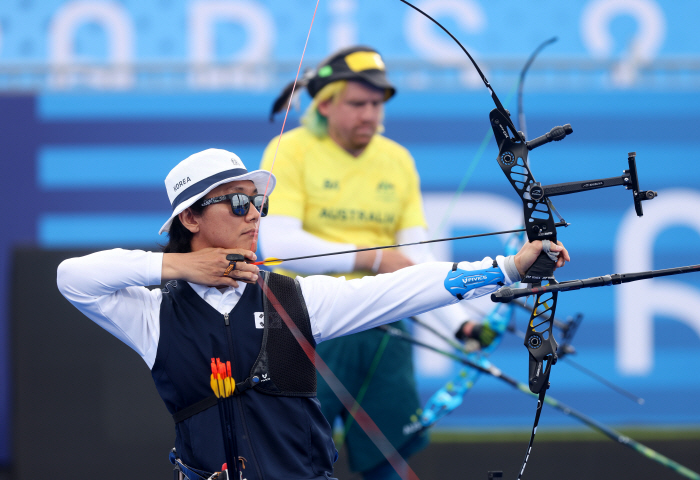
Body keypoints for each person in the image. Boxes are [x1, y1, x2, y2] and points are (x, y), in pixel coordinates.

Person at [57, 147, 568, 480]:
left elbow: (404, 289)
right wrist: (182, 266)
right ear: (189, 218)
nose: (254, 214)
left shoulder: (297, 299)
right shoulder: (154, 315)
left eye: (257, 203)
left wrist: (506, 266)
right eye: (237, 203)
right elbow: (72, 278)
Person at [259, 46, 525, 479]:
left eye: (377, 104)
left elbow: (416, 259)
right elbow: (278, 244)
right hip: (307, 327)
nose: (370, 114)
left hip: (384, 328)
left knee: (387, 462)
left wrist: (460, 327)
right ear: (324, 104)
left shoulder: (396, 160)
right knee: (294, 460)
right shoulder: (290, 150)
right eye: (357, 103)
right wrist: (375, 257)